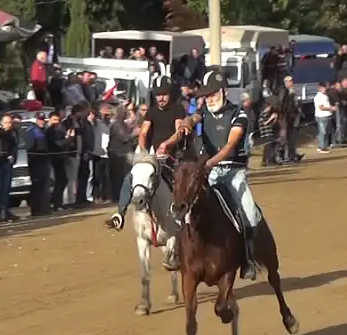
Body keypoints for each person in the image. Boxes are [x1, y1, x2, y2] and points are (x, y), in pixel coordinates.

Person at [157, 67, 259, 281]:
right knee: (185, 203)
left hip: (233, 172)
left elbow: (230, 145)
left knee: (248, 212)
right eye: (206, 95)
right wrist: (171, 139)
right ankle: (179, 253)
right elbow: (190, 122)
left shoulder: (239, 115)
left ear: (223, 91)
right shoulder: (203, 112)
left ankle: (248, 259)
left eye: (213, 94)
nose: (209, 99)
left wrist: (209, 163)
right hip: (208, 171)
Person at [103, 76, 186, 230]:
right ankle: (120, 214)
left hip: (174, 155)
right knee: (132, 176)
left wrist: (167, 145)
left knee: (180, 181)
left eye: (164, 94)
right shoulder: (152, 110)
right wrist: (143, 151)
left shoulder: (177, 109)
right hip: (153, 155)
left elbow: (179, 131)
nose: (160, 98)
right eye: (158, 94)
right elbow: (143, 132)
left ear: (170, 94)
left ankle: (182, 216)